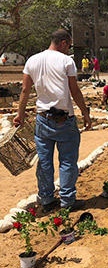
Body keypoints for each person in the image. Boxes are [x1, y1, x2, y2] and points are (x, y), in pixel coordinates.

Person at [13, 29, 92, 212]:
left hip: (43, 119)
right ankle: (67, 200)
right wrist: (85, 113)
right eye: (69, 45)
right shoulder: (67, 61)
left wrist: (20, 113)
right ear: (63, 43)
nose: (69, 49)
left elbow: (25, 90)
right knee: (67, 161)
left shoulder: (32, 60)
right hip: (64, 119)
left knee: (45, 162)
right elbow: (74, 90)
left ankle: (47, 199)